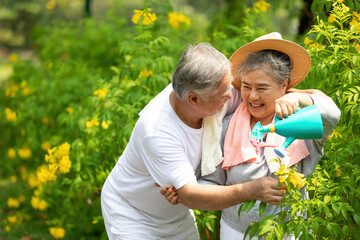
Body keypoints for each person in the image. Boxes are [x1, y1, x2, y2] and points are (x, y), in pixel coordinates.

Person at [100, 42, 289, 240]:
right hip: (133, 215)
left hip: (175, 213)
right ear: (194, 100)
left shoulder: (215, 92)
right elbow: (191, 195)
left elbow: (269, 91)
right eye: (222, 96)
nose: (231, 96)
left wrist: (298, 98)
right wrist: (251, 190)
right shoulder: (157, 131)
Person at [161, 33, 341, 240]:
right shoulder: (227, 126)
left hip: (290, 231)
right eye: (246, 87)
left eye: (262, 88)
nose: (252, 96)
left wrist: (299, 97)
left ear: (284, 86)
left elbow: (333, 114)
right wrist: (184, 193)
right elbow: (213, 181)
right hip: (236, 232)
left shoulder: (302, 122)